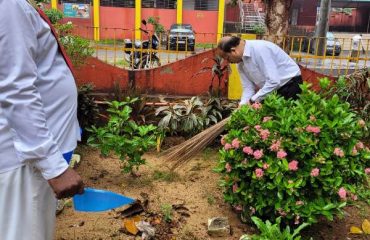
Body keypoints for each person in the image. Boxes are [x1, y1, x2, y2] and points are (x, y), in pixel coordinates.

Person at [0, 0, 84, 239]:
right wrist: (53, 167)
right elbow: (16, 89)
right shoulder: (8, 5)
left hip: (25, 157)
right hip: (25, 163)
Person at [217, 36, 302, 105]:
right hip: (270, 90)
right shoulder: (240, 64)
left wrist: (252, 101)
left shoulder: (260, 49)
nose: (229, 62)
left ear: (233, 51)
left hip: (290, 85)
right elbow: (248, 88)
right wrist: (242, 105)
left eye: (227, 58)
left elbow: (274, 81)